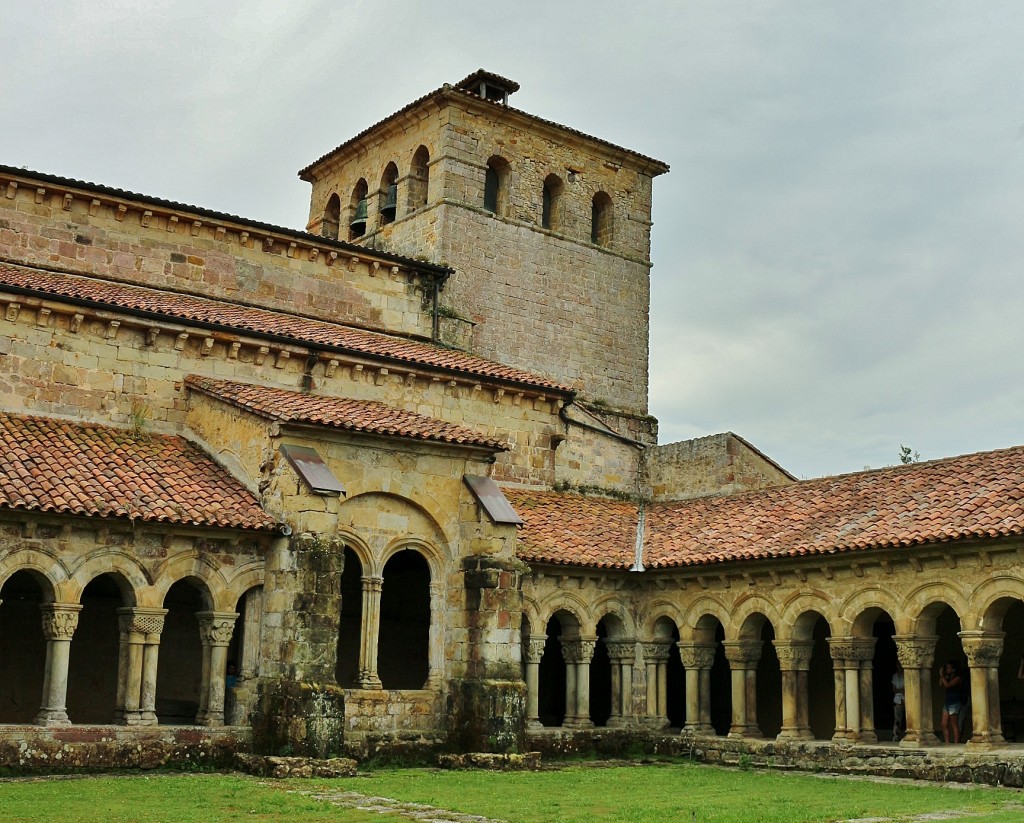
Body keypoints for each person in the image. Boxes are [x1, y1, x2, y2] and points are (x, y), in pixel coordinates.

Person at [938, 660, 964, 744]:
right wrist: (942, 675)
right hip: (947, 702)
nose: (947, 669)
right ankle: (947, 742)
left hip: (954, 702)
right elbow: (941, 684)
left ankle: (956, 743)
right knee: (944, 723)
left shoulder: (957, 678)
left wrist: (942, 676)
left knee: (954, 723)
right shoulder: (947, 677)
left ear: (954, 669)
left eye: (949, 668)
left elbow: (948, 685)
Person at [892, 661, 906, 742]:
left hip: (906, 698)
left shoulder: (907, 675)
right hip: (897, 699)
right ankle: (895, 737)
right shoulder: (895, 676)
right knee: (897, 719)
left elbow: (906, 689)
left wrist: (900, 690)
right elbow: (894, 689)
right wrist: (901, 690)